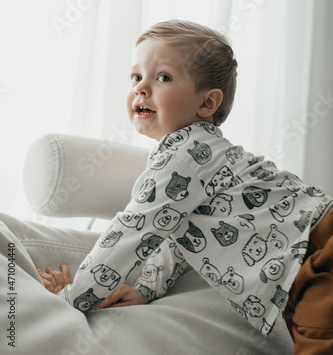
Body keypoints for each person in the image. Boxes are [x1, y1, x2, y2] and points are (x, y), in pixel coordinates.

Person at [38, 20, 333, 354]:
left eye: (163, 77)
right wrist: (147, 289)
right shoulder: (199, 155)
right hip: (308, 259)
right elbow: (179, 232)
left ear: (207, 103)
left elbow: (130, 233)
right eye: (136, 77)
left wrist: (70, 299)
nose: (141, 88)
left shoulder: (183, 155)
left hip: (317, 249)